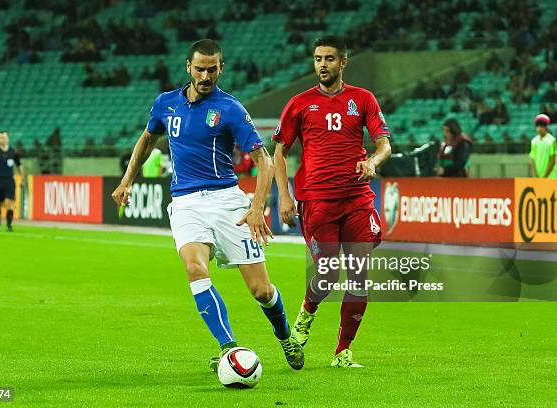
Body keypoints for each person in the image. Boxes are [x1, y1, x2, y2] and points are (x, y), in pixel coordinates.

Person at [111, 39, 304, 373]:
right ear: (188, 67)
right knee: (194, 268)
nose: (205, 75)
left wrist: (257, 207)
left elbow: (264, 160)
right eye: (199, 69)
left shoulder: (230, 108)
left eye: (212, 69)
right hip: (185, 202)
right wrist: (128, 179)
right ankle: (229, 348)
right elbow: (147, 138)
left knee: (261, 290)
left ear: (221, 69)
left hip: (228, 202)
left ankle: (285, 335)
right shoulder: (165, 104)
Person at [273, 36, 392, 368]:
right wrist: (284, 195)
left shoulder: (362, 99)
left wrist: (373, 163)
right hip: (318, 201)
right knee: (327, 275)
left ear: (343, 62)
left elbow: (384, 144)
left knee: (358, 275)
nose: (322, 64)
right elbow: (280, 150)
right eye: (317, 58)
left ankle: (343, 351)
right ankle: (305, 317)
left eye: (328, 59)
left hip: (356, 199)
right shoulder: (299, 103)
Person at [0, 131, 25, 231]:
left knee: (9, 203)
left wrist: (23, 178)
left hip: (9, 181)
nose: (2, 139)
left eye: (4, 137)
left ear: (8, 139)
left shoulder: (13, 152)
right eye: (0, 137)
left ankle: (9, 225)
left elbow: (19, 165)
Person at [529, 114, 556, 178]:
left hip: (551, 176)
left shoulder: (552, 141)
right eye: (538, 126)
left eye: (542, 126)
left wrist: (545, 177)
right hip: (538, 176)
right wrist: (536, 175)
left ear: (546, 127)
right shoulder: (534, 141)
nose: (539, 128)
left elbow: (552, 160)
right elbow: (533, 159)